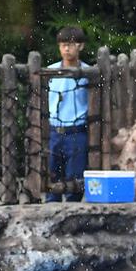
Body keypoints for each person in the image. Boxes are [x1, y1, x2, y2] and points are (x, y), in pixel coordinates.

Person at [46, 26, 89, 202]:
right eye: (63, 45)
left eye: (71, 45)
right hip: (55, 130)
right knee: (52, 174)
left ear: (81, 46)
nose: (66, 49)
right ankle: (51, 206)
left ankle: (73, 210)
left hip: (77, 130)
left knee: (75, 176)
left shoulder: (88, 73)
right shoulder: (50, 71)